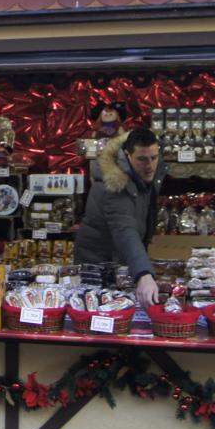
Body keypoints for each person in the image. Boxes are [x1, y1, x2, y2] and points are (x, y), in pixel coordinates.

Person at [75, 128, 165, 308]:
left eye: (154, 158)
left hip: (119, 261)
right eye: (142, 159)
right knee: (98, 313)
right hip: (97, 267)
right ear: (127, 155)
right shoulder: (114, 184)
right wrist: (143, 274)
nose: (149, 165)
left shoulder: (145, 176)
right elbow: (125, 231)